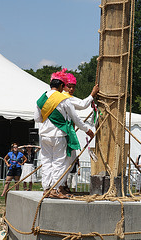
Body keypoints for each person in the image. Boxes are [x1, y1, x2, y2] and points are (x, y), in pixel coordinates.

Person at [34, 68, 94, 199]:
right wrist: (87, 130)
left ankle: (46, 189)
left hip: (44, 135)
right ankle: (55, 189)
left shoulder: (40, 99)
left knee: (46, 162)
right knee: (59, 162)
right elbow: (75, 119)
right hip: (58, 135)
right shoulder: (63, 99)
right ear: (61, 86)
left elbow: (37, 119)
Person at [63, 73, 99, 193]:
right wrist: (92, 94)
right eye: (69, 86)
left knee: (69, 158)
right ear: (63, 86)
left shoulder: (63, 97)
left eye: (73, 86)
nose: (71, 89)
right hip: (64, 132)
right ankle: (60, 186)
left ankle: (62, 184)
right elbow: (83, 105)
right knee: (64, 160)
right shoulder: (65, 98)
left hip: (66, 131)